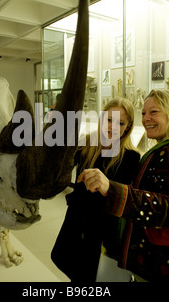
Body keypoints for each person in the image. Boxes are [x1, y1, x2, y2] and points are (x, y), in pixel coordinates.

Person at [77, 89, 169, 282]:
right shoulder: (166, 149)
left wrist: (112, 189)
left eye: (154, 112)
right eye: (144, 113)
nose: (146, 118)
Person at [51, 97, 141, 282]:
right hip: (75, 225)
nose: (112, 127)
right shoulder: (87, 146)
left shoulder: (131, 158)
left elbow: (124, 202)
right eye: (109, 120)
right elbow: (60, 167)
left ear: (128, 126)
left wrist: (106, 186)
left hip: (101, 235)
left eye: (120, 122)